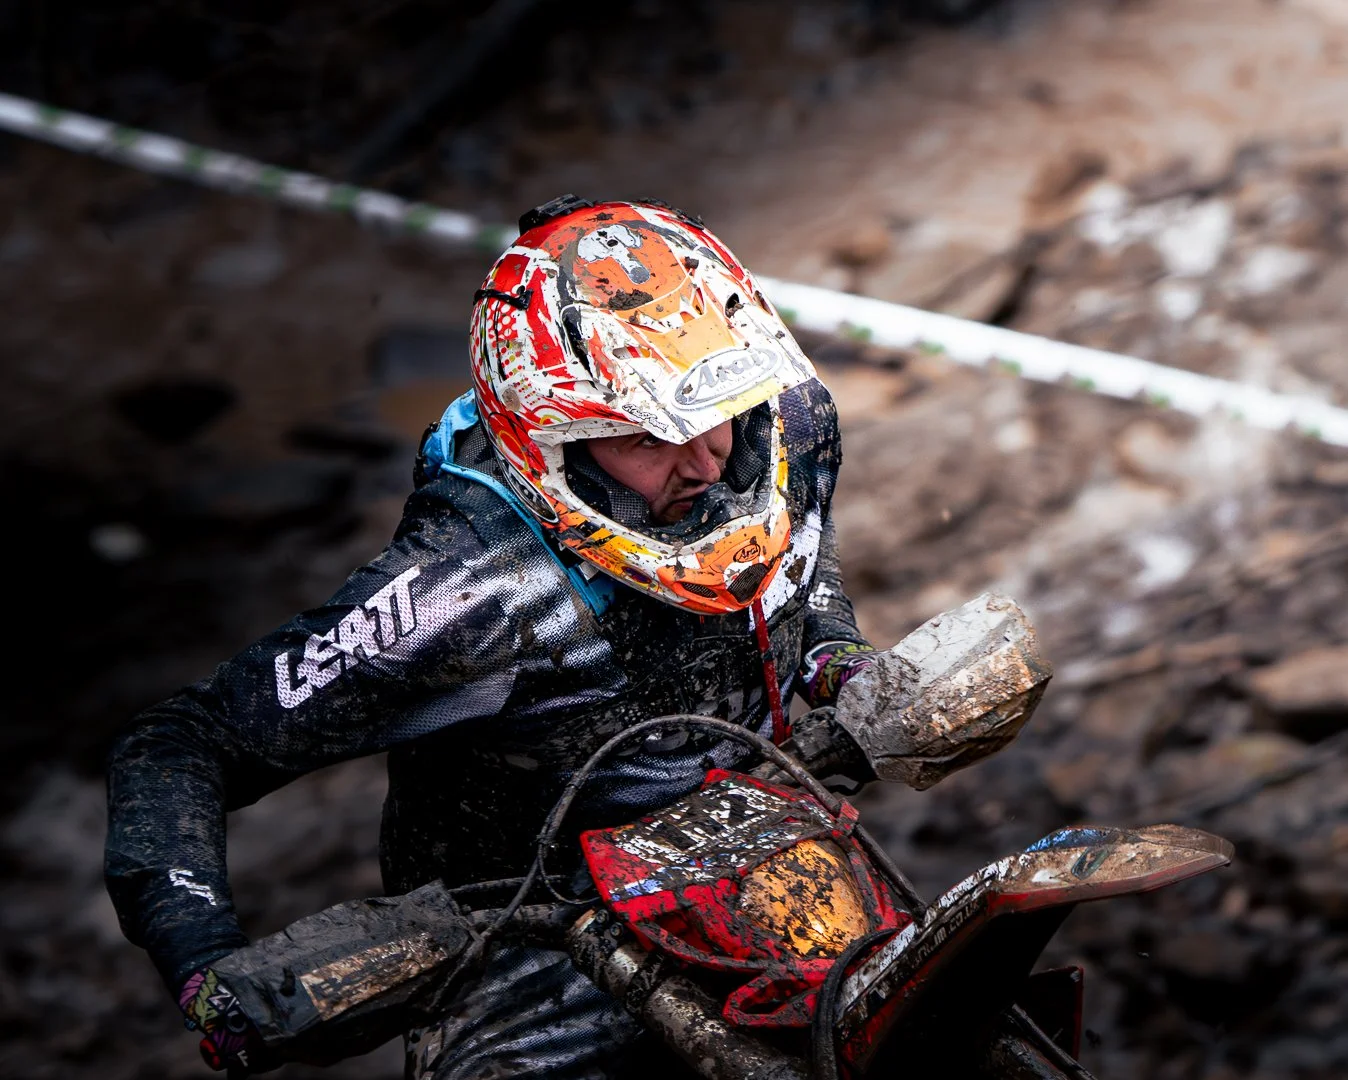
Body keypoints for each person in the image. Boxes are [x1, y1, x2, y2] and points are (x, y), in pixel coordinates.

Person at [104, 195, 880, 1079]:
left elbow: (800, 552)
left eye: (716, 409)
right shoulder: (468, 589)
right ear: (552, 440)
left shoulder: (788, 420)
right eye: (640, 435)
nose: (706, 461)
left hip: (773, 859)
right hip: (539, 949)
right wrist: (204, 961)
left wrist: (831, 651)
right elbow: (181, 742)